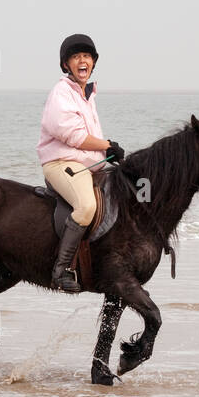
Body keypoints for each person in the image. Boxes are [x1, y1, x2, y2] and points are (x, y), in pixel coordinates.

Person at [36, 33, 125, 292]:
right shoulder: (61, 93)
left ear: (93, 62)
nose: (82, 61)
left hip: (85, 165)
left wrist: (107, 154)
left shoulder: (88, 95)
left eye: (87, 56)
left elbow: (88, 140)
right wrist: (107, 145)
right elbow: (74, 136)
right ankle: (61, 270)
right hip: (60, 164)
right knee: (86, 206)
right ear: (66, 64)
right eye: (76, 57)